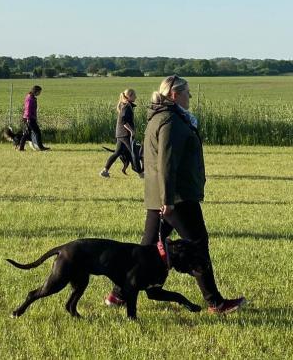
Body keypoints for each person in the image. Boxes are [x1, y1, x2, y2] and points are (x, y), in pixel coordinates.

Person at [105, 75, 246, 314]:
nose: (189, 96)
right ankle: (216, 303)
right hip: (176, 198)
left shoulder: (159, 118)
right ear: (174, 95)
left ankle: (119, 294)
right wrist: (168, 201)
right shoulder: (170, 121)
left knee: (147, 248)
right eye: (186, 92)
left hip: (157, 196)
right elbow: (167, 163)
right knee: (198, 247)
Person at [100, 89, 137, 178]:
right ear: (129, 96)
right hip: (125, 134)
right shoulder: (127, 106)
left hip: (120, 133)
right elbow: (124, 121)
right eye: (134, 95)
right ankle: (140, 173)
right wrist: (131, 131)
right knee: (133, 152)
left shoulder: (124, 105)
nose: (136, 97)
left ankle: (105, 171)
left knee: (117, 152)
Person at [17, 85, 50, 151]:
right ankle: (41, 147)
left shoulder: (30, 97)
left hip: (28, 118)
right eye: (39, 92)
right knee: (37, 132)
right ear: (36, 91)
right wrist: (28, 119)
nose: (40, 93)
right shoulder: (30, 98)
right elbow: (28, 109)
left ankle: (21, 148)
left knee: (26, 133)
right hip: (29, 118)